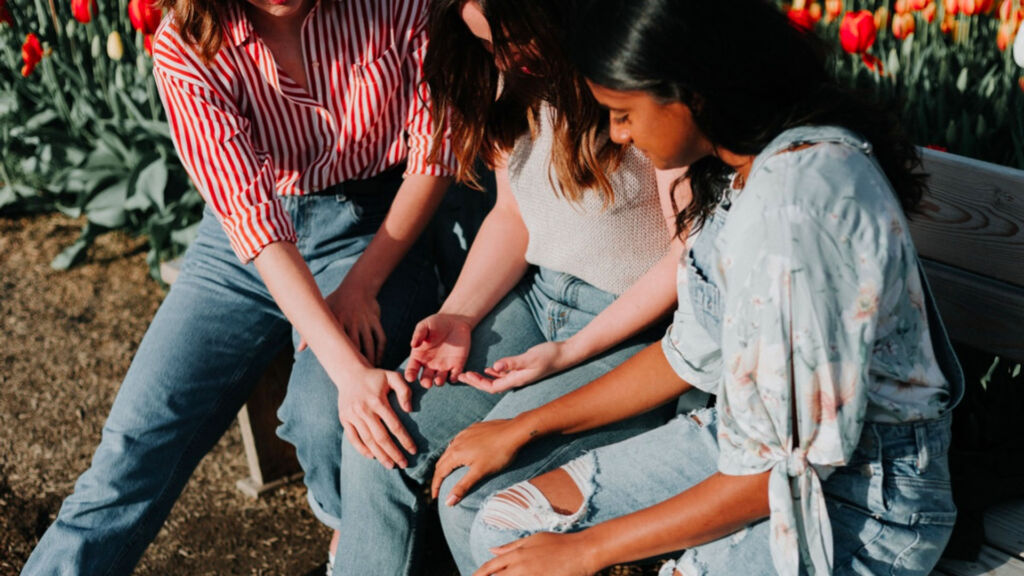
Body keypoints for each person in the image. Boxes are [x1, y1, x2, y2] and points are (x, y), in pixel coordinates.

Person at [433, 1, 966, 575]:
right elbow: (686, 355)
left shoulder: (799, 208)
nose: (618, 134)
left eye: (623, 112)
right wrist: (522, 426)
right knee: (502, 523)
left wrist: (588, 549)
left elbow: (782, 475)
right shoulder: (738, 169)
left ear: (693, 90)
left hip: (857, 501)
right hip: (733, 441)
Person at [21, 0, 455, 574]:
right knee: (132, 450)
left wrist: (363, 283)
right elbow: (253, 222)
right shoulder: (185, 40)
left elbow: (437, 147)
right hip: (240, 244)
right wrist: (348, 370)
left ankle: (352, 535)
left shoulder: (397, 4)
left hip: (374, 228)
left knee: (323, 415)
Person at [330, 0, 692, 574]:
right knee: (378, 441)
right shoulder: (510, 80)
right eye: (484, 43)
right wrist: (459, 315)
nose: (501, 57)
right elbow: (512, 216)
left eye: (509, 38)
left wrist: (571, 352)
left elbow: (685, 257)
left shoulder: (629, 81)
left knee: (472, 490)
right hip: (535, 303)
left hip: (632, 332)